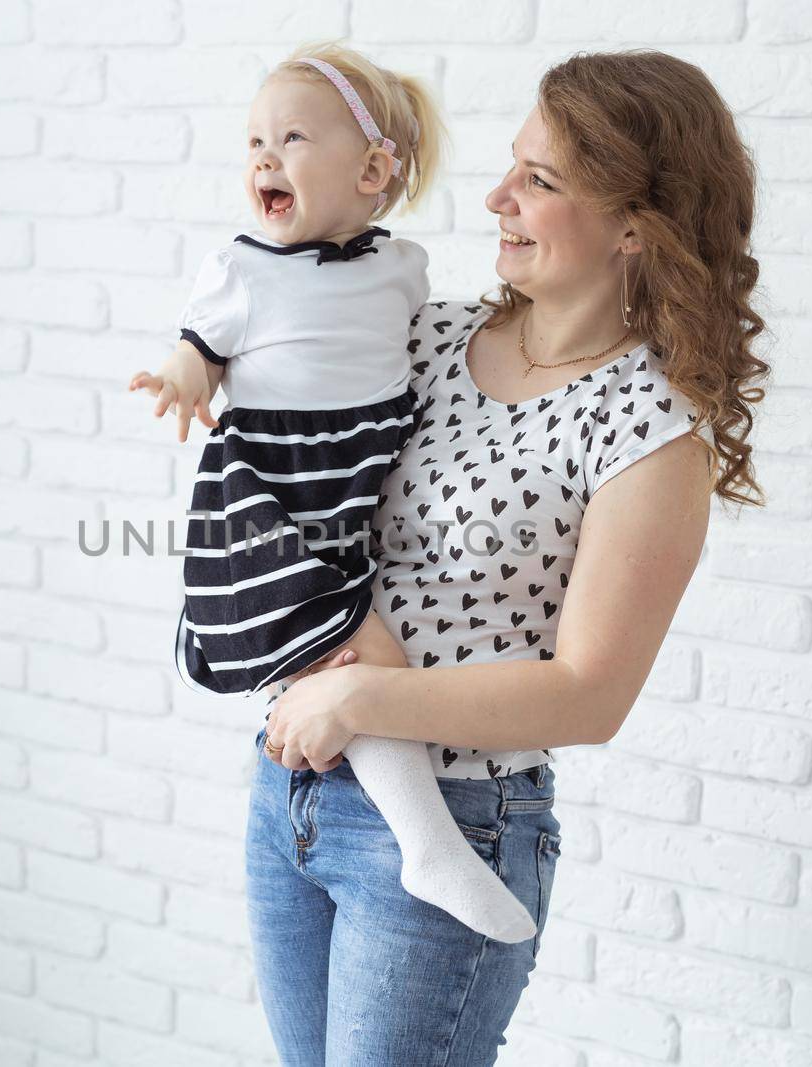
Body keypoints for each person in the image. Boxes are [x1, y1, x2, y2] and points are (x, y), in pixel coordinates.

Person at [246, 49, 770, 1064]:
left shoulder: (645, 433)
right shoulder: (422, 335)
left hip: (458, 816)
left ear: (634, 224)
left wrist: (357, 702)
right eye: (509, 166)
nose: (496, 197)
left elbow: (588, 695)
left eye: (540, 181)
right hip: (292, 787)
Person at [131, 43, 546, 943]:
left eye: (291, 138)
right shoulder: (243, 269)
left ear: (371, 171)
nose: (264, 158)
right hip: (270, 499)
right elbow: (200, 348)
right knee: (361, 652)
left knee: (343, 651)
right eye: (254, 142)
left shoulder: (402, 270)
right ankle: (428, 841)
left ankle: (417, 835)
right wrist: (181, 380)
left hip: (347, 504)